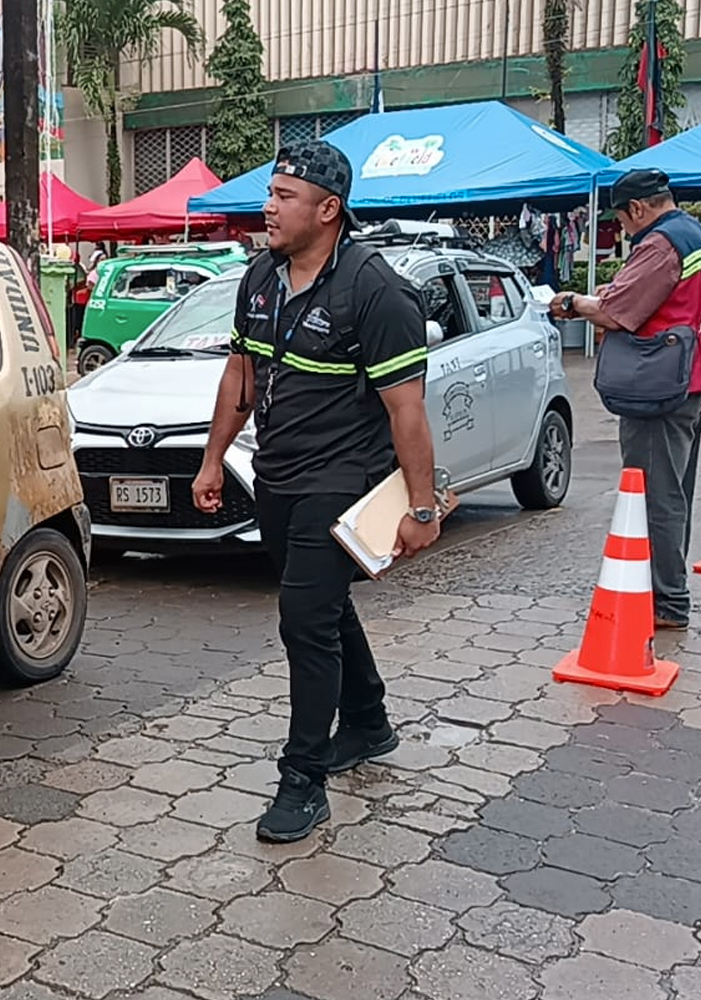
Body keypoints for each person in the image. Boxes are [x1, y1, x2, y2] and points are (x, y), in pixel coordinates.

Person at [192, 140, 440, 843]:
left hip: (342, 479)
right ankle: (368, 720)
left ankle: (303, 780)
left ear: (328, 210)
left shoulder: (375, 290)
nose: (268, 208)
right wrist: (213, 461)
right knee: (321, 608)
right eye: (270, 194)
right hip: (276, 472)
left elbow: (407, 410)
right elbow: (241, 376)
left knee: (304, 619)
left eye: (285, 196)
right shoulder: (260, 277)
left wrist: (421, 510)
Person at [550, 168, 701, 630]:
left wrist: (572, 302)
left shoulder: (660, 244)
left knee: (656, 495)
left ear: (639, 209)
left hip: (664, 385)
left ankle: (667, 602)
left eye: (622, 220)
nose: (623, 228)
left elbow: (616, 312)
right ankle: (669, 590)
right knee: (676, 488)